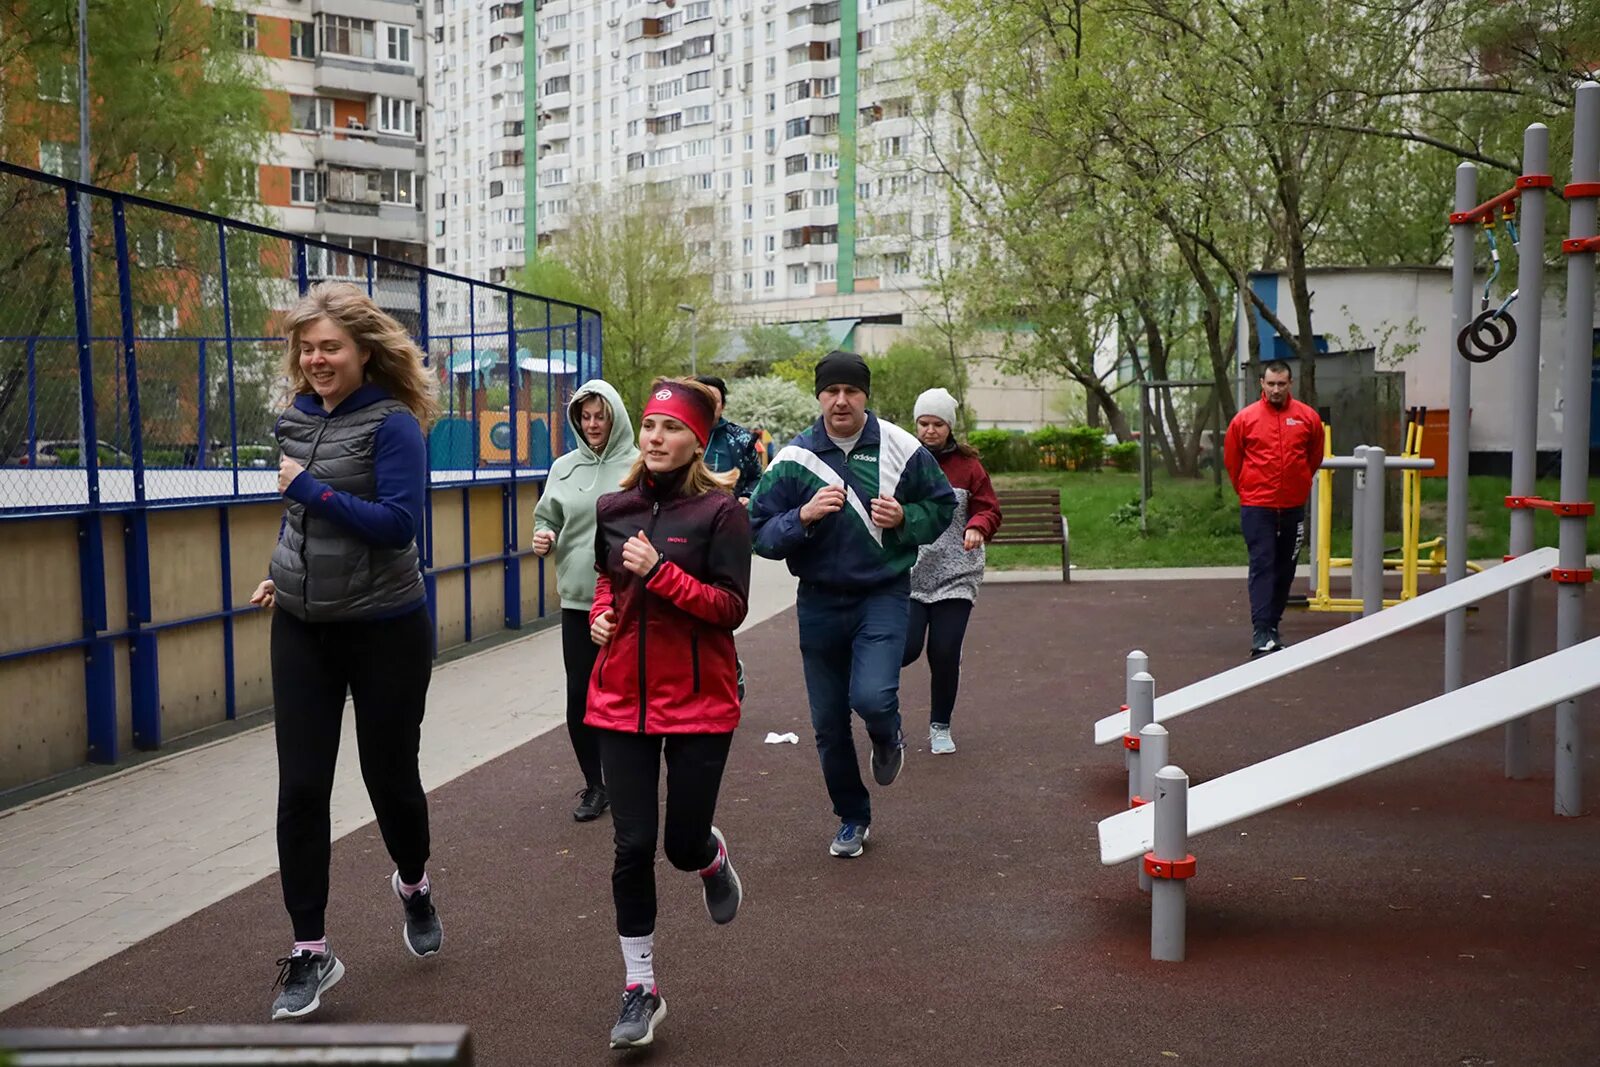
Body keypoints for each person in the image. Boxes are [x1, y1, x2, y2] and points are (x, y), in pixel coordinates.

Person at [247, 282, 443, 1021]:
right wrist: (282, 572)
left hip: (386, 625)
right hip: (302, 622)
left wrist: (312, 490)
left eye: (330, 345)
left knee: (388, 776)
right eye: (306, 346)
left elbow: (397, 526)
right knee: (301, 788)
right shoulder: (296, 417)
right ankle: (310, 950)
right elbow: (305, 526)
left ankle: (415, 883)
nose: (316, 357)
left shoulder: (395, 425)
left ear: (365, 350)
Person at [586, 378, 751, 1049]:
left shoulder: (722, 514)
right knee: (631, 845)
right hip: (619, 698)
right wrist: (601, 612)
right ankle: (640, 987)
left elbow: (730, 607)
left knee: (677, 845)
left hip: (700, 701)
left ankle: (709, 856)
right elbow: (605, 578)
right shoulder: (613, 506)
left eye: (670, 427)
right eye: (649, 425)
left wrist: (661, 574)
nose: (655, 437)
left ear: (696, 440)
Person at [747, 351, 955, 858]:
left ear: (865, 395)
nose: (841, 401)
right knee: (827, 723)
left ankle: (888, 736)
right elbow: (758, 531)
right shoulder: (795, 458)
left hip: (881, 593)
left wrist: (905, 516)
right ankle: (852, 817)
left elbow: (943, 505)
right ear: (819, 396)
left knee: (873, 697)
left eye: (852, 391)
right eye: (831, 391)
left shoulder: (901, 447)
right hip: (818, 601)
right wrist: (802, 516)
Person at [531, 379, 638, 822]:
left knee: (626, 690)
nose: (593, 424)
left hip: (629, 599)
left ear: (615, 416)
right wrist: (544, 536)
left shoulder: (639, 464)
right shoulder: (563, 467)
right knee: (580, 695)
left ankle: (630, 776)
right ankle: (596, 785)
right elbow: (546, 516)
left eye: (601, 415)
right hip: (577, 600)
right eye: (585, 417)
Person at [902, 388, 1002, 755]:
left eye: (937, 424)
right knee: (905, 649)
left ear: (950, 426)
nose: (929, 430)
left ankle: (940, 727)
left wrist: (977, 525)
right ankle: (883, 715)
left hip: (956, 573)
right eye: (923, 423)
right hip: (912, 573)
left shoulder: (968, 466)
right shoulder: (904, 460)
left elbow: (990, 508)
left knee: (943, 651)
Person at [1223, 359, 1325, 657]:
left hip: (1293, 505)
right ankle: (1261, 630)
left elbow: (1313, 456)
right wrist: (1247, 490)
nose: (1276, 389)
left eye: (1282, 384)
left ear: (1289, 384)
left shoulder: (1307, 418)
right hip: (1258, 506)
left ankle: (1273, 624)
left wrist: (1299, 484)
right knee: (1262, 564)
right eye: (1271, 384)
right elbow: (1233, 460)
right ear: (1262, 384)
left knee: (1285, 567)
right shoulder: (1245, 419)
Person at [693, 374, 764, 501]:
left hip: (728, 515)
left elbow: (756, 478)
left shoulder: (741, 439)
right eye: (702, 399)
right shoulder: (676, 436)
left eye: (714, 400)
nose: (708, 406)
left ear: (723, 406)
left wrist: (747, 496)